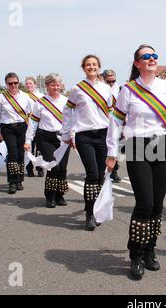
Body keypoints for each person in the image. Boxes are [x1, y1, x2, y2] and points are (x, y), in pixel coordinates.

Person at [106, 45, 166, 280]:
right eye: (146, 57)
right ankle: (136, 255)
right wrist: (111, 152)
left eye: (154, 56)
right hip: (137, 145)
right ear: (137, 63)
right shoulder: (128, 90)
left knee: (158, 205)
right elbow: (115, 122)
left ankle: (150, 249)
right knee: (145, 203)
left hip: (161, 145)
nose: (151, 59)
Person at [61, 55, 114, 231]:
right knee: (92, 174)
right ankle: (90, 214)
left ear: (99, 67)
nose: (91, 67)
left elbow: (112, 113)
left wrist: (116, 134)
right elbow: (67, 109)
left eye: (94, 64)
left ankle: (95, 207)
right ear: (83, 68)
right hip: (84, 136)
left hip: (103, 135)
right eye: (88, 65)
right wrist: (68, 132)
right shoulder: (77, 89)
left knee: (100, 175)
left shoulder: (106, 88)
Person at [24, 73, 70, 208]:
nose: (55, 87)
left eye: (57, 85)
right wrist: (28, 140)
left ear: (61, 86)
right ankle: (50, 196)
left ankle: (60, 195)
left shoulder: (66, 101)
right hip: (45, 138)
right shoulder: (40, 103)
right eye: (52, 85)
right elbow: (33, 123)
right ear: (47, 86)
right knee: (52, 167)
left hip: (63, 138)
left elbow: (72, 121)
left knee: (62, 168)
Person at [0, 73, 33, 194]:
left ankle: (19, 180)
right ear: (6, 84)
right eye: (10, 83)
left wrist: (31, 132)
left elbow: (31, 115)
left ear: (19, 83)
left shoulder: (25, 97)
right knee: (12, 153)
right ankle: (12, 182)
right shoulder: (1, 98)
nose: (13, 85)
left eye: (15, 82)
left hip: (22, 127)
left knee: (20, 154)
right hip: (7, 128)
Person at [103, 69, 122, 183]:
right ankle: (105, 170)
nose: (111, 84)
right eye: (108, 81)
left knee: (116, 147)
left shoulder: (120, 89)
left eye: (113, 81)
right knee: (106, 148)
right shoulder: (100, 89)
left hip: (118, 122)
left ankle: (114, 171)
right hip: (104, 121)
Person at [25, 77, 45, 178]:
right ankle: (29, 169)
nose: (29, 86)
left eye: (31, 84)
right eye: (27, 84)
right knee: (29, 148)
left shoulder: (41, 96)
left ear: (35, 85)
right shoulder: (23, 96)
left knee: (40, 148)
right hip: (28, 124)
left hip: (40, 125)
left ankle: (40, 167)